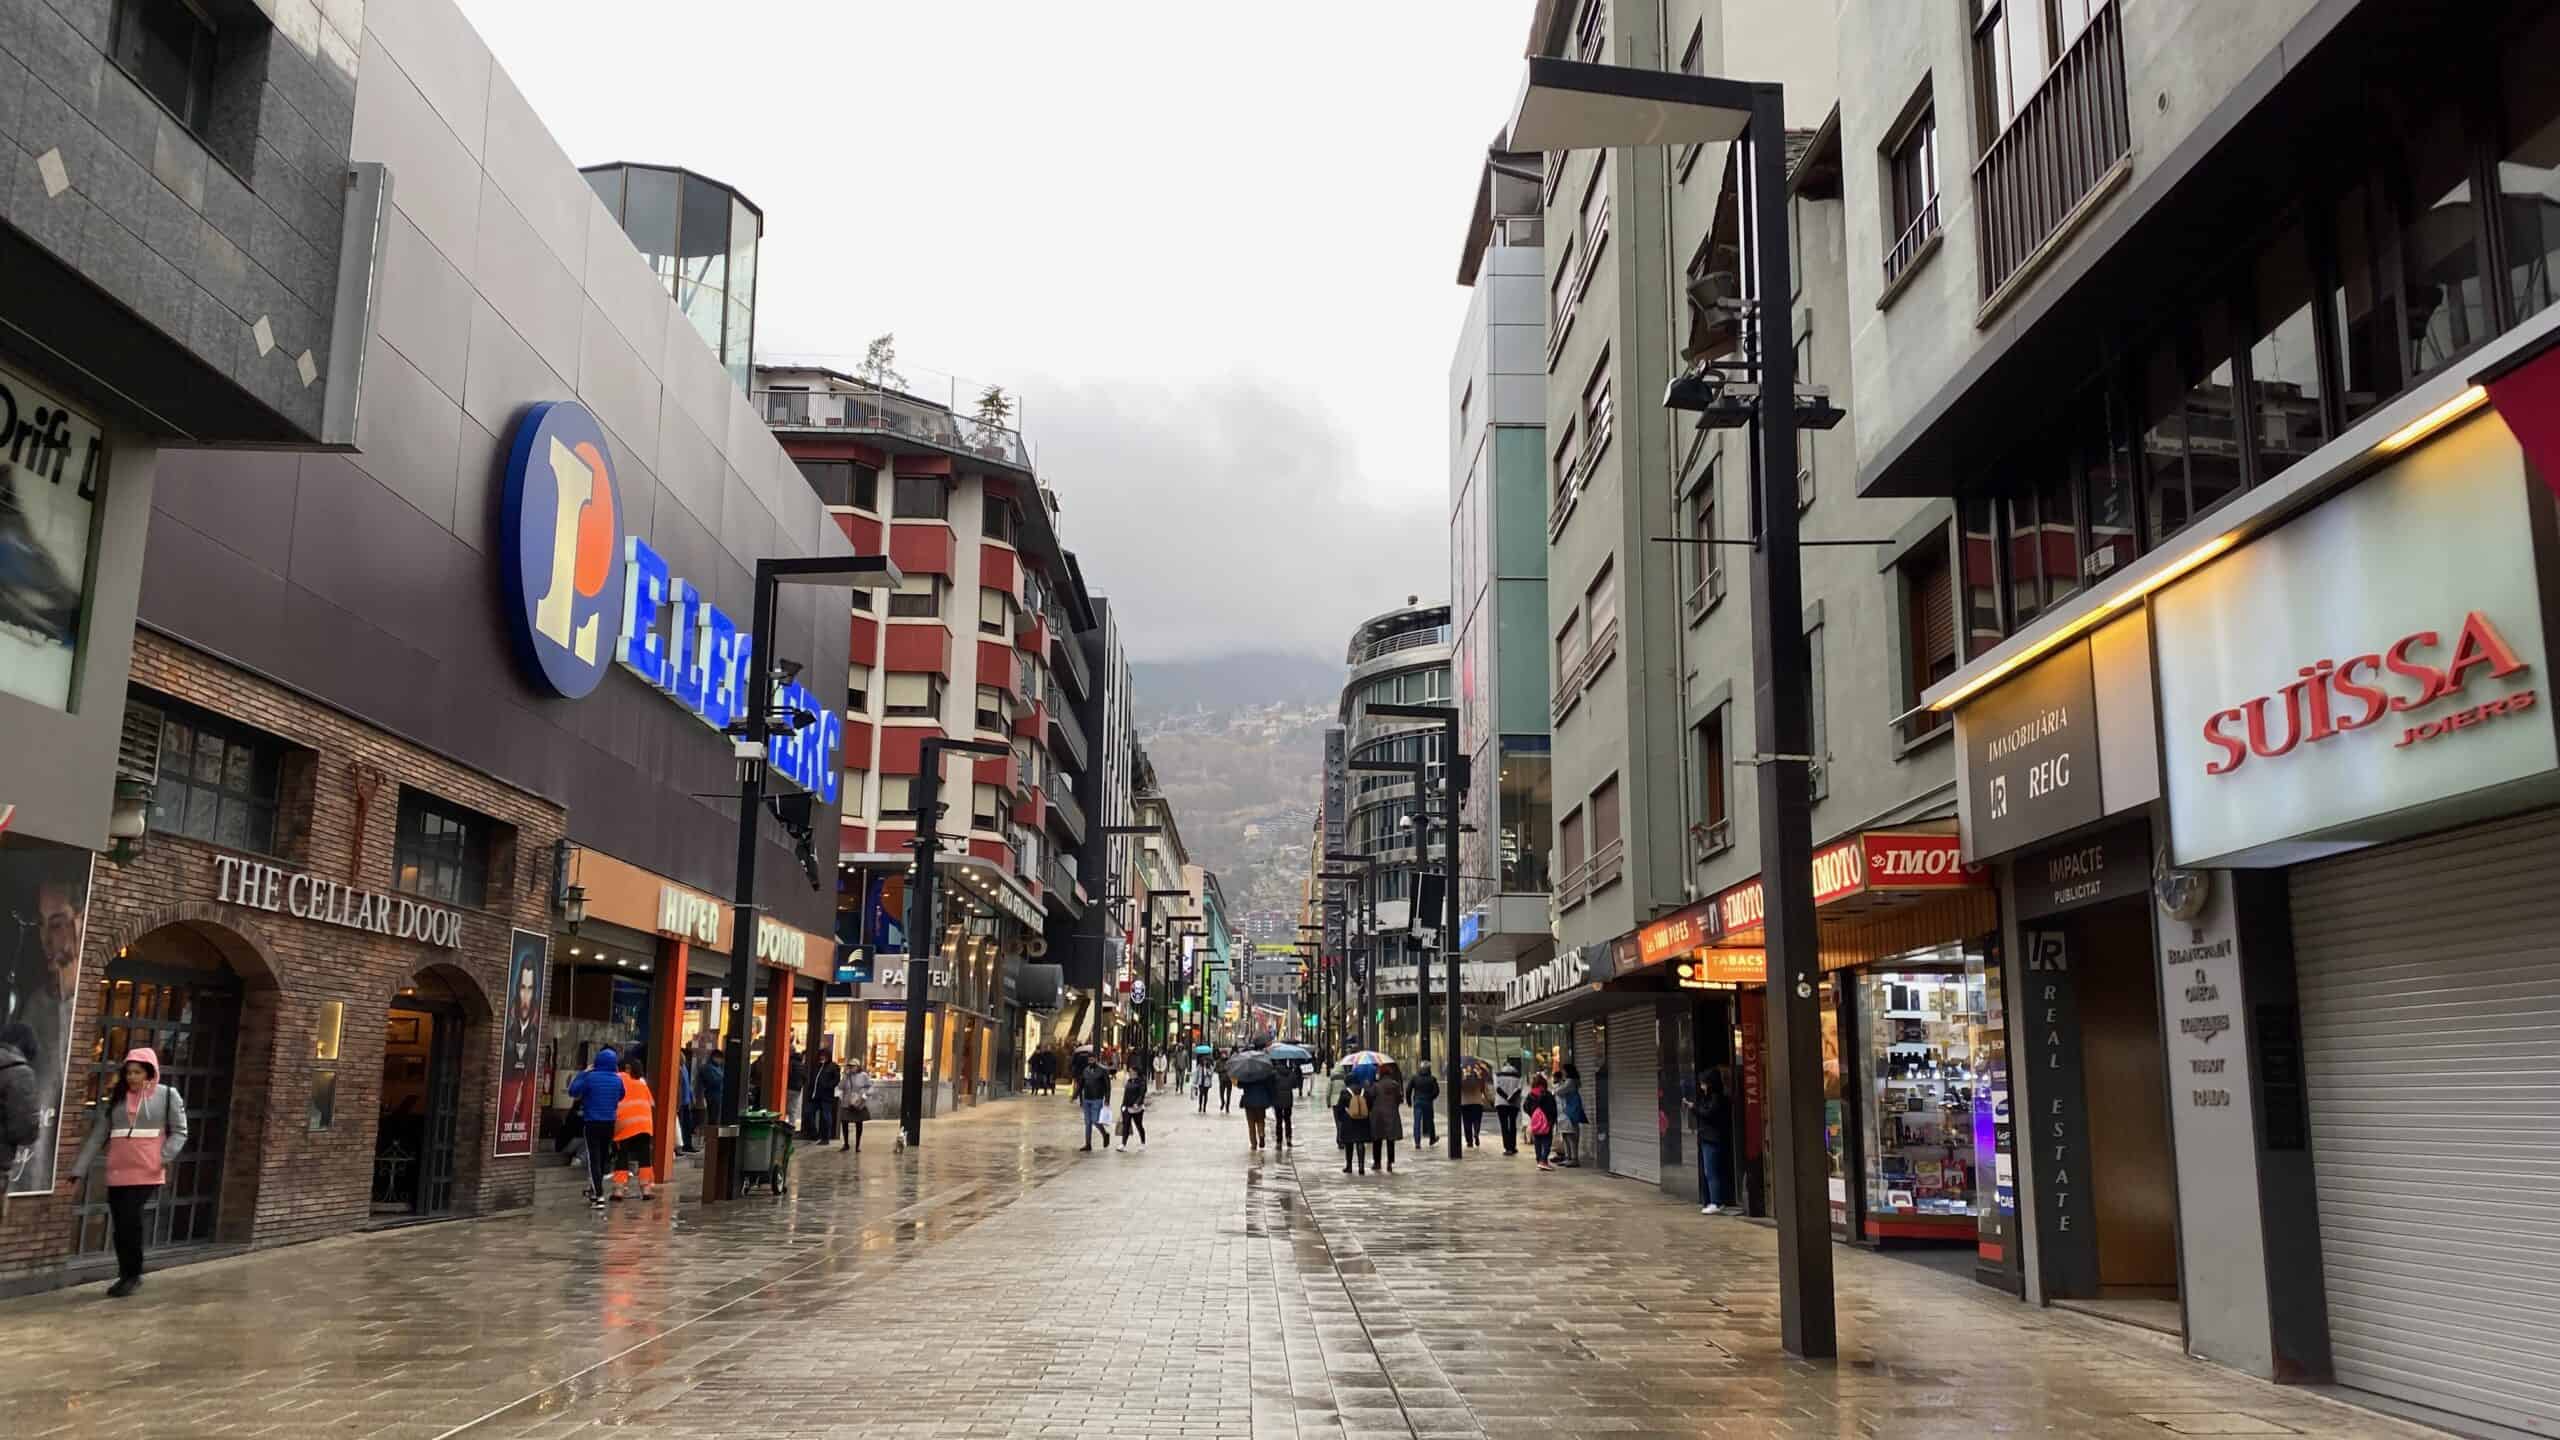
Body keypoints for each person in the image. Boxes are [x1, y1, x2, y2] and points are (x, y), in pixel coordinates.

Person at [69, 1047, 188, 1297]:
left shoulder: (167, 1095)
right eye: (128, 1072)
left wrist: (162, 1157)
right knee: (120, 1224)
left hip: (147, 1171)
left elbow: (180, 1131)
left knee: (130, 1220)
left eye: (137, 1072)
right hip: (118, 1170)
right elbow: (98, 1135)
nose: (132, 1077)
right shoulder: (118, 1098)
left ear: (150, 1072)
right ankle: (126, 1272)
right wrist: (78, 1170)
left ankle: (131, 1275)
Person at [565, 1047, 625, 1209]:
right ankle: (594, 1190)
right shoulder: (617, 1079)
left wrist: (584, 1072)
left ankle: (599, 1196)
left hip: (592, 1123)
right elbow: (621, 1095)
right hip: (609, 1123)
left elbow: (573, 1091)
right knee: (603, 1157)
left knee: (594, 1160)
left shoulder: (590, 1078)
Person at [610, 1056, 656, 1201]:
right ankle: (646, 1190)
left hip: (625, 1124)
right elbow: (652, 1103)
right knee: (645, 1158)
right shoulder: (642, 1083)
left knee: (622, 1156)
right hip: (644, 1125)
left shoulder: (618, 1078)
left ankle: (619, 1190)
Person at [1693, 1066, 1737, 1214]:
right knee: (1712, 1171)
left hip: (1712, 1138)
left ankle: (1716, 1202)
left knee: (1711, 1171)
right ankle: (1716, 1200)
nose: (1701, 1086)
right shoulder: (1712, 1097)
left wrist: (1694, 1109)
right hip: (1709, 1137)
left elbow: (1708, 1114)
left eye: (1703, 1083)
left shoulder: (1716, 1099)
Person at [1328, 1065, 1370, 1174]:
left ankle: (1349, 1166)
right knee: (1360, 1143)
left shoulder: (1345, 1092)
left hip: (1349, 1120)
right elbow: (1369, 1104)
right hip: (1362, 1120)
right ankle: (1361, 1167)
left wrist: (1342, 1119)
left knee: (1349, 1144)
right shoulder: (1363, 1091)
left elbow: (1340, 1108)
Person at [1076, 1055, 1115, 1152]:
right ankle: (1088, 1144)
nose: (1091, 1061)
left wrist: (1107, 1100)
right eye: (1089, 1059)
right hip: (1087, 1098)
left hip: (1097, 1098)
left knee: (1095, 1120)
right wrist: (1075, 1095)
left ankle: (1104, 1134)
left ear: (1096, 1060)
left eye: (1092, 1059)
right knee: (1087, 1122)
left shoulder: (1102, 1070)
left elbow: (1107, 1086)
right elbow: (1081, 1084)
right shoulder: (1085, 1070)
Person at [1526, 1072, 1560, 1171]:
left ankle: (1539, 1160)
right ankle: (1544, 1160)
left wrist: (1533, 1114)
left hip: (1536, 1122)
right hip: (1547, 1122)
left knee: (1537, 1141)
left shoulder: (1531, 1094)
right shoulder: (1547, 1094)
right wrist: (1552, 1120)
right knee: (1547, 1141)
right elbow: (1553, 1109)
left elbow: (1525, 1106)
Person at [1239, 1061, 1276, 1152]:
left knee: (1251, 1124)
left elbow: (1240, 1085)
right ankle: (1261, 1134)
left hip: (1249, 1102)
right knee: (1260, 1120)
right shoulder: (1263, 1073)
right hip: (1261, 1101)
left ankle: (1253, 1144)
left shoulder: (1246, 1074)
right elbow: (1269, 1086)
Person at [838, 1058, 874, 1152]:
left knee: (859, 1123)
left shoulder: (863, 1075)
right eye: (849, 1066)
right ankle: (846, 1144)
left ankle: (857, 1145)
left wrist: (865, 1095)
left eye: (853, 1066)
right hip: (846, 1102)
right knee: (844, 1122)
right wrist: (845, 1076)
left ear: (858, 1067)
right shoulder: (846, 1076)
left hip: (858, 1102)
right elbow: (840, 1087)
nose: (851, 1068)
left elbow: (870, 1087)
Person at [1555, 1062, 1586, 1168]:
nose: (1562, 1072)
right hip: (1568, 1110)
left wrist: (1558, 1085)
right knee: (1566, 1134)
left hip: (1570, 1110)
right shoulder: (1570, 1081)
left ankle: (1574, 1158)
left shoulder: (1570, 1082)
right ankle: (1568, 1157)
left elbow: (1558, 1091)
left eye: (1564, 1070)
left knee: (1571, 1135)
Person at [1492, 1059, 1525, 1156]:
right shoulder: (1519, 1076)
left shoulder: (1497, 1075)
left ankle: (1507, 1148)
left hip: (1501, 1103)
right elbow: (1519, 1089)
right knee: (1512, 1125)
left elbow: (1497, 1089)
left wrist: (1506, 1097)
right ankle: (1513, 1146)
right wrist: (1511, 1098)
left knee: (1504, 1126)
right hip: (1513, 1104)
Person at [810, 1050, 842, 1147]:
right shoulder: (817, 1066)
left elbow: (836, 1080)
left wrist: (827, 1086)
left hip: (826, 1096)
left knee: (826, 1116)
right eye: (821, 1055)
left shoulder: (833, 1066)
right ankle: (815, 1134)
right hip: (815, 1096)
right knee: (808, 1113)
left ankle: (825, 1137)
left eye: (824, 1056)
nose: (822, 1057)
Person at [1459, 1065, 1491, 1150]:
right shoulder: (1479, 1080)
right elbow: (1484, 1091)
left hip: (1465, 1103)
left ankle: (1469, 1141)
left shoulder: (1462, 1080)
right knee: (1477, 1120)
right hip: (1477, 1103)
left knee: (1467, 1122)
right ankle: (1476, 1133)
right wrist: (1489, 1099)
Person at [1409, 1064, 1440, 1147]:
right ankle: (1432, 1139)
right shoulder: (1432, 1078)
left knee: (1417, 1122)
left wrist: (1409, 1101)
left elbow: (1408, 1089)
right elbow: (1436, 1091)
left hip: (1417, 1101)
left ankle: (1417, 1142)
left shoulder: (1415, 1078)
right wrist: (1431, 1097)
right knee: (1430, 1121)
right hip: (1427, 1102)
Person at [1119, 1066, 1149, 1148]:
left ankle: (1143, 1143)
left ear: (1136, 1072)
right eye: (1129, 1071)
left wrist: (1137, 1103)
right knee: (1126, 1125)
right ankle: (1123, 1144)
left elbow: (1141, 1094)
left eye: (1131, 1071)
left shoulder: (1141, 1082)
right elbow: (1125, 1095)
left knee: (1139, 1125)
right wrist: (1122, 1106)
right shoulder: (1128, 1081)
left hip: (1137, 1108)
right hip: (1127, 1107)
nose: (1130, 1073)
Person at [1270, 1063, 1296, 1150]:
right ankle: (1288, 1139)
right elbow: (1294, 1085)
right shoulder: (1290, 1073)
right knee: (1288, 1120)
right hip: (1288, 1099)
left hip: (1277, 1099)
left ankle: (1279, 1141)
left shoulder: (1273, 1074)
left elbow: (1270, 1086)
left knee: (1279, 1121)